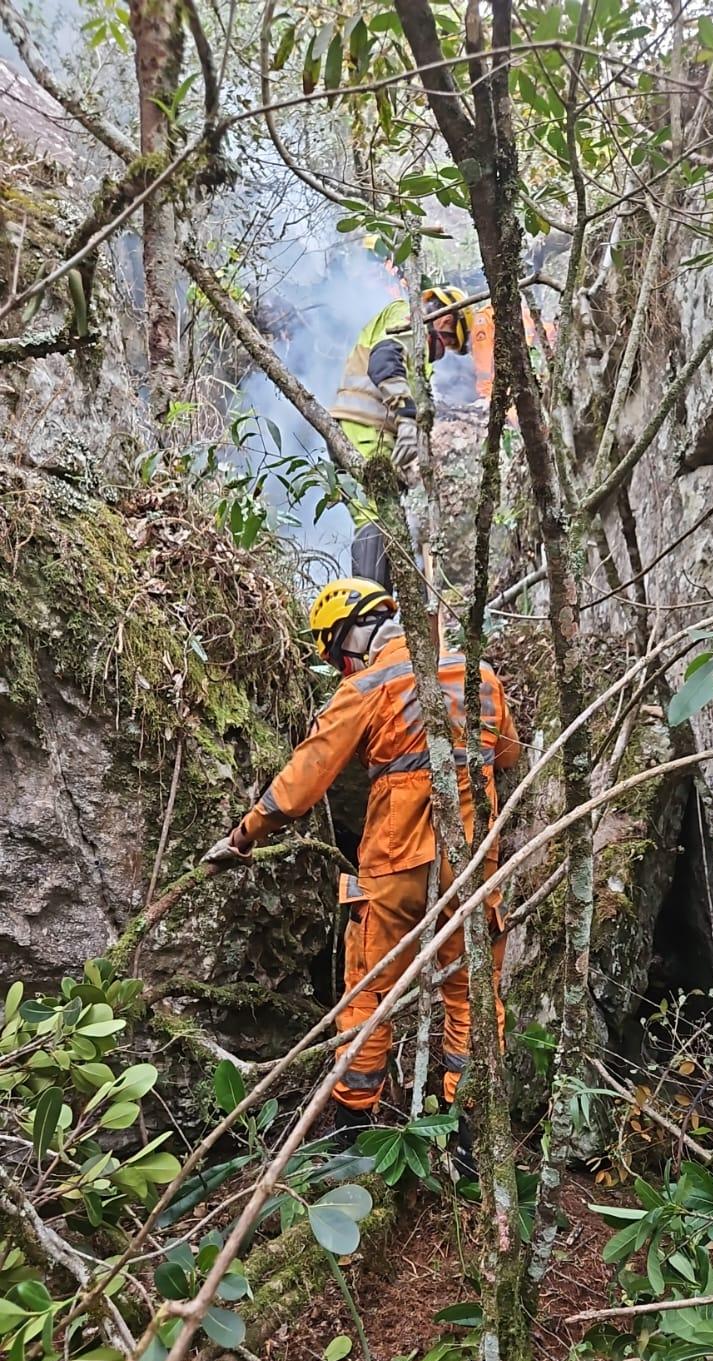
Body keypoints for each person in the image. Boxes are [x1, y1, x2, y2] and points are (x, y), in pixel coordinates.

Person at [204, 577, 521, 1175]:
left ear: (352, 632)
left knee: (369, 994)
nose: (339, 664)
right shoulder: (479, 675)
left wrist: (243, 835)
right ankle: (466, 1139)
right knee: (471, 998)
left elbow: (305, 777)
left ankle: (353, 1131)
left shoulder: (368, 684)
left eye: (335, 651)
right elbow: (507, 756)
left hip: (396, 866)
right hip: (473, 867)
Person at [330, 286, 474, 589]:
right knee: (375, 516)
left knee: (382, 518)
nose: (442, 351)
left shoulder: (418, 351)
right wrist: (407, 421)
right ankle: (370, 612)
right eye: (448, 342)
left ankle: (379, 607)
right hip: (365, 424)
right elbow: (384, 360)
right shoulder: (409, 317)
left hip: (371, 429)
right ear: (446, 320)